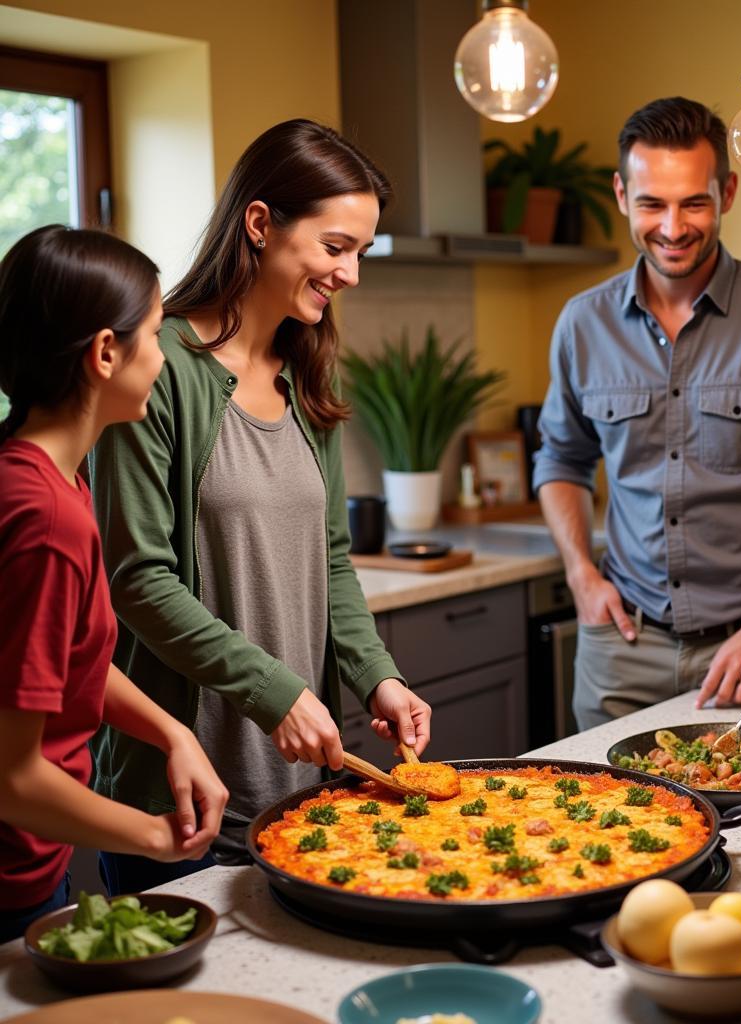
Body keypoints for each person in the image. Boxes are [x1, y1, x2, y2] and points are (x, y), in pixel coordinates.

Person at [89, 119, 431, 896]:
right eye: (336, 247)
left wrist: (378, 677)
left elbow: (332, 559)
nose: (349, 275)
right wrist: (276, 692)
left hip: (299, 793)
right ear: (259, 224)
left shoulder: (305, 373)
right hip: (185, 800)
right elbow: (138, 581)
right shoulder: (159, 366)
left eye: (361, 254)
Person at [533, 96, 741, 729]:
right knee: (608, 819)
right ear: (621, 194)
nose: (672, 225)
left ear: (728, 191)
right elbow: (560, 459)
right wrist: (580, 572)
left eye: (694, 202)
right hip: (621, 651)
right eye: (652, 202)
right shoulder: (583, 323)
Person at [0, 226, 228, 941]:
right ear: (105, 353)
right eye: (157, 334)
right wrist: (159, 839)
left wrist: (171, 735)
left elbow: (64, 667)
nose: (164, 358)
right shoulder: (43, 517)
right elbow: (12, 779)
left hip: (37, 863)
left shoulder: (47, 477)